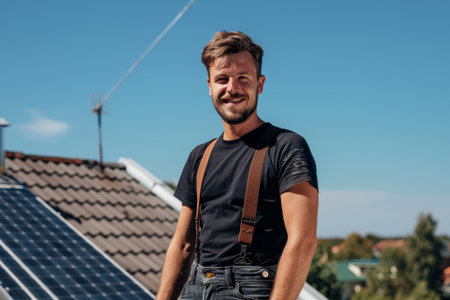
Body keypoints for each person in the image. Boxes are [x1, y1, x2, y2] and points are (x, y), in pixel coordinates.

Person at [156, 31, 318, 300]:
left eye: (243, 78)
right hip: (196, 286)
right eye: (222, 79)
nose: (232, 88)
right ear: (209, 86)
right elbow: (184, 245)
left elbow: (302, 242)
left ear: (260, 84)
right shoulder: (199, 156)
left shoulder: (286, 146)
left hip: (250, 289)